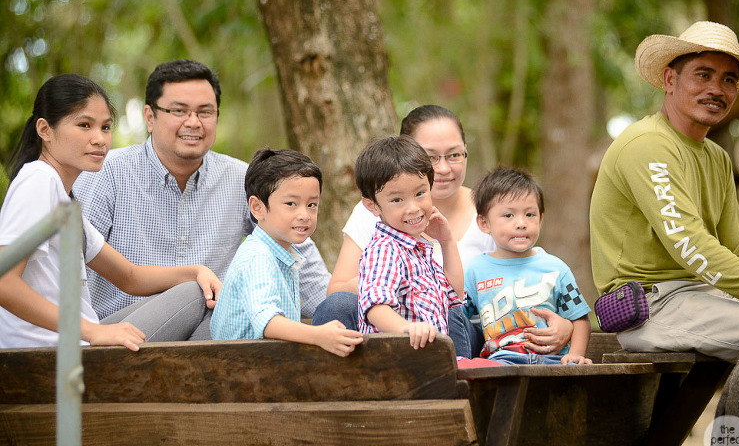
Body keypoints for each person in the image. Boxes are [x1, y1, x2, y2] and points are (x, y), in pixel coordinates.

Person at [74, 60, 330, 336]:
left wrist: (348, 307)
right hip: (119, 335)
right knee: (197, 292)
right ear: (150, 117)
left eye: (205, 112)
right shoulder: (107, 173)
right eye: (179, 110)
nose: (193, 122)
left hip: (204, 338)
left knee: (232, 314)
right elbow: (68, 266)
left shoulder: (239, 178)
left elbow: (294, 249)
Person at [314, 104, 575, 357]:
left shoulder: (494, 211)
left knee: (452, 314)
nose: (442, 168)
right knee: (338, 304)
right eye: (430, 157)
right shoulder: (376, 214)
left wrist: (566, 323)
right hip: (396, 324)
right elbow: (337, 290)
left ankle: (455, 385)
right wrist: (394, 283)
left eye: (454, 155)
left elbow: (524, 277)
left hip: (475, 329)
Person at [0, 74, 221, 351]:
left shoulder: (64, 199)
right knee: (194, 296)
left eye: (105, 127)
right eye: (84, 125)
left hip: (77, 342)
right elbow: (4, 282)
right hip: (49, 355)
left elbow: (129, 276)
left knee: (207, 303)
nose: (99, 139)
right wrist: (93, 332)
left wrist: (198, 270)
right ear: (45, 130)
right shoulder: (38, 180)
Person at [590, 21, 739, 362]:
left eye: (728, 79)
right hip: (652, 307)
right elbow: (691, 245)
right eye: (703, 75)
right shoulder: (647, 145)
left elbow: (736, 250)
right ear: (670, 80)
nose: (717, 88)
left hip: (706, 298)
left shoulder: (717, 157)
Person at [211, 148, 363, 356]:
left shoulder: (283, 255)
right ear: (257, 208)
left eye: (312, 205)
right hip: (242, 368)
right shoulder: (257, 257)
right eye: (291, 204)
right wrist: (319, 335)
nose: (304, 215)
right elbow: (268, 321)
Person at [465, 166, 592, 365]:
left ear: (541, 219)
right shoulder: (475, 271)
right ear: (484, 223)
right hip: (502, 363)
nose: (521, 223)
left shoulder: (556, 269)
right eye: (508, 215)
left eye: (530, 215)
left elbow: (580, 319)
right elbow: (456, 316)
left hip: (553, 361)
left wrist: (575, 355)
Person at [354, 134, 465, 351]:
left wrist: (446, 241)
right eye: (397, 200)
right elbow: (375, 306)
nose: (413, 207)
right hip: (398, 363)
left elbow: (455, 294)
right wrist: (405, 328)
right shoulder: (385, 249)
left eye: (420, 193)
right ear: (372, 206)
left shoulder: (419, 251)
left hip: (427, 362)